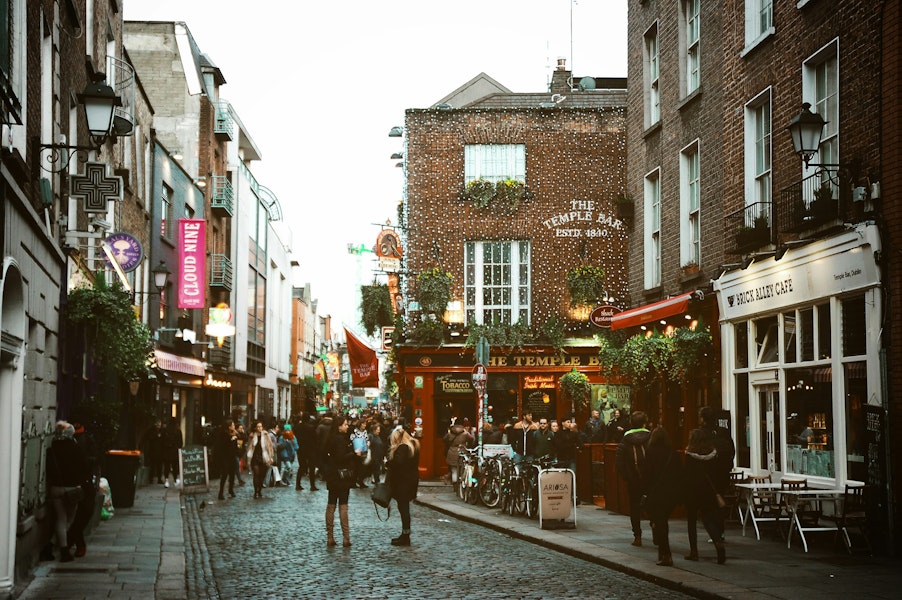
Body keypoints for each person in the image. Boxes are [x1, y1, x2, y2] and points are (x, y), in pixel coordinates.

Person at [46, 421, 89, 562]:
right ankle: (63, 550)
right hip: (72, 489)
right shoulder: (75, 448)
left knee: (60, 519)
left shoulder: (51, 448)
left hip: (56, 488)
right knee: (69, 520)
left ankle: (50, 547)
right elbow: (83, 468)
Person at [683, 428, 726, 564]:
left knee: (691, 522)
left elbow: (686, 475)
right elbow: (717, 474)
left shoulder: (690, 455)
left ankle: (694, 551)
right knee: (708, 520)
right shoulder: (713, 454)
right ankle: (718, 542)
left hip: (693, 492)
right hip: (708, 492)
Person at [643, 426, 683, 566]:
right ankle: (663, 551)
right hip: (671, 493)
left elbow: (646, 475)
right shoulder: (673, 454)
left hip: (656, 493)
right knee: (662, 521)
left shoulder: (650, 453)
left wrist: (646, 490)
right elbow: (679, 474)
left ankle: (666, 554)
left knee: (660, 523)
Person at [699, 405, 736, 544]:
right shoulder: (723, 432)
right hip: (723, 473)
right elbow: (732, 450)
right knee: (719, 501)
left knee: (708, 504)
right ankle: (720, 532)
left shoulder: (701, 433)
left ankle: (714, 532)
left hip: (708, 474)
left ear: (703, 419)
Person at [615, 410, 651, 546]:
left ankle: (637, 536)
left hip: (633, 479)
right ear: (644, 423)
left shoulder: (626, 439)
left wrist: (627, 476)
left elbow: (619, 461)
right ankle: (656, 531)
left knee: (634, 508)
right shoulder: (651, 437)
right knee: (653, 505)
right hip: (650, 479)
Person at [323, 416, 356, 547]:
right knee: (343, 506)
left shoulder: (329, 438)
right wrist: (354, 453)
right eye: (345, 424)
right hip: (342, 476)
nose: (347, 426)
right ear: (339, 426)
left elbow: (325, 456)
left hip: (332, 475)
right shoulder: (341, 440)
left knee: (331, 504)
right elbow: (341, 457)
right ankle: (346, 537)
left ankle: (330, 537)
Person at [66, 422, 97, 558]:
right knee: (80, 515)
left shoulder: (83, 442)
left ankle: (71, 542)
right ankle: (73, 543)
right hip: (79, 483)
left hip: (81, 483)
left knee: (79, 515)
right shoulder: (76, 443)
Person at [387, 425, 421, 546]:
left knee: (404, 509)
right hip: (410, 481)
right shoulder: (413, 446)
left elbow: (398, 464)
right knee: (404, 508)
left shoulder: (402, 448)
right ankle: (405, 534)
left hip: (403, 483)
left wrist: (388, 462)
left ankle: (405, 536)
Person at [245, 420, 275, 498]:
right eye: (258, 427)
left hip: (264, 457)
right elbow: (249, 447)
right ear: (255, 428)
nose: (259, 428)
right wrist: (248, 458)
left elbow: (270, 447)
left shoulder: (266, 435)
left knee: (262, 475)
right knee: (256, 474)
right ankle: (255, 492)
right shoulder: (252, 436)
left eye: (260, 426)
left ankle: (259, 490)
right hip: (255, 457)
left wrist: (271, 457)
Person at [443, 420, 474, 485]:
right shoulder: (465, 433)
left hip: (452, 451)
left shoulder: (450, 432)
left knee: (454, 469)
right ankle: (461, 484)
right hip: (462, 451)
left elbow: (444, 439)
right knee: (461, 468)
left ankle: (455, 484)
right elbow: (472, 439)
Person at [215, 420, 239, 500]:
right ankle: (221, 492)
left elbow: (236, 445)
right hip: (225, 458)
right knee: (224, 475)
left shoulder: (234, 434)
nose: (234, 427)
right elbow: (223, 446)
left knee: (232, 475)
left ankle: (231, 490)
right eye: (232, 425)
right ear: (229, 427)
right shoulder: (223, 434)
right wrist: (231, 439)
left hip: (232, 457)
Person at [161, 419, 183, 488]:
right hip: (175, 451)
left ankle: (166, 481)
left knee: (167, 466)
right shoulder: (178, 431)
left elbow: (162, 441)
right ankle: (175, 480)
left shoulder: (165, 431)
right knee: (175, 466)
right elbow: (180, 443)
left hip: (167, 451)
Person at [144, 420, 164, 484]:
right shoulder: (152, 431)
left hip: (159, 451)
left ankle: (158, 478)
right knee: (153, 466)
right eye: (158, 425)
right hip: (153, 450)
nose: (159, 426)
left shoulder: (161, 431)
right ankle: (151, 478)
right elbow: (149, 438)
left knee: (159, 466)